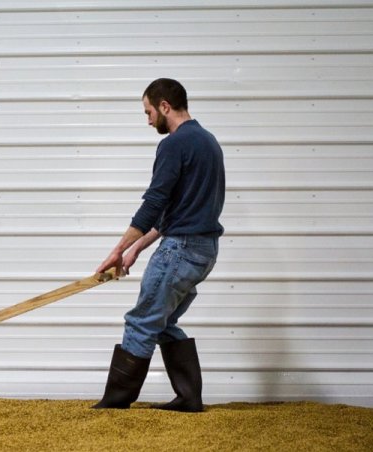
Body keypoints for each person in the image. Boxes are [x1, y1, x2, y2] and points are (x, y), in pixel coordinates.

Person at [92, 78, 225, 412]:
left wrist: (118, 250)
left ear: (165, 106)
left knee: (141, 321)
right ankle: (189, 397)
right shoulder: (209, 142)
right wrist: (138, 248)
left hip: (180, 251)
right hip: (204, 251)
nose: (148, 119)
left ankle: (115, 403)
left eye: (149, 111)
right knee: (162, 322)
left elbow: (154, 202)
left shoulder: (174, 144)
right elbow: (178, 211)